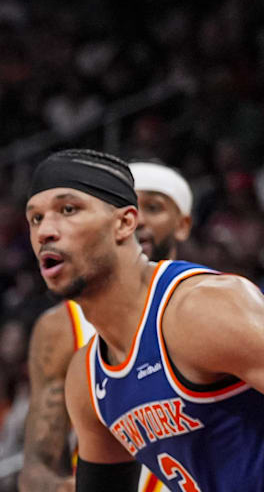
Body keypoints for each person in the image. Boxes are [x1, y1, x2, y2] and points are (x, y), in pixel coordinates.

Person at [25, 149, 264, 491]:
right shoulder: (86, 379)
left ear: (125, 223)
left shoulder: (203, 307)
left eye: (68, 210)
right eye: (35, 218)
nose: (45, 231)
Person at [19, 160, 194, 492]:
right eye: (36, 219)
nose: (140, 220)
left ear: (183, 224)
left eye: (152, 208)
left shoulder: (207, 305)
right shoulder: (69, 335)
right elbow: (36, 469)